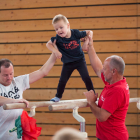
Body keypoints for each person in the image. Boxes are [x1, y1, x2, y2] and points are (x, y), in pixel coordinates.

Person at [0, 53, 56, 140]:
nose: (9, 77)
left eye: (11, 74)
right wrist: (15, 101)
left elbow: (43, 72)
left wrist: (55, 53)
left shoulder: (18, 82)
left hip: (16, 135)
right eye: (5, 75)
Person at [84, 35, 130, 140]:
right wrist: (90, 46)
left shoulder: (117, 90)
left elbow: (101, 117)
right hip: (107, 136)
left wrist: (91, 102)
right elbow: (97, 67)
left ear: (114, 71)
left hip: (113, 137)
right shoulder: (112, 82)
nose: (102, 71)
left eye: (105, 69)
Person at [46, 14, 95, 102]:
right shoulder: (58, 38)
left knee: (86, 77)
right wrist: (56, 51)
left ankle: (93, 94)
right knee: (62, 80)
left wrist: (86, 42)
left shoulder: (76, 33)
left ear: (68, 25)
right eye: (56, 29)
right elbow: (48, 44)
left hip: (80, 61)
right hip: (68, 63)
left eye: (61, 27)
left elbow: (90, 32)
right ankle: (58, 96)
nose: (59, 30)